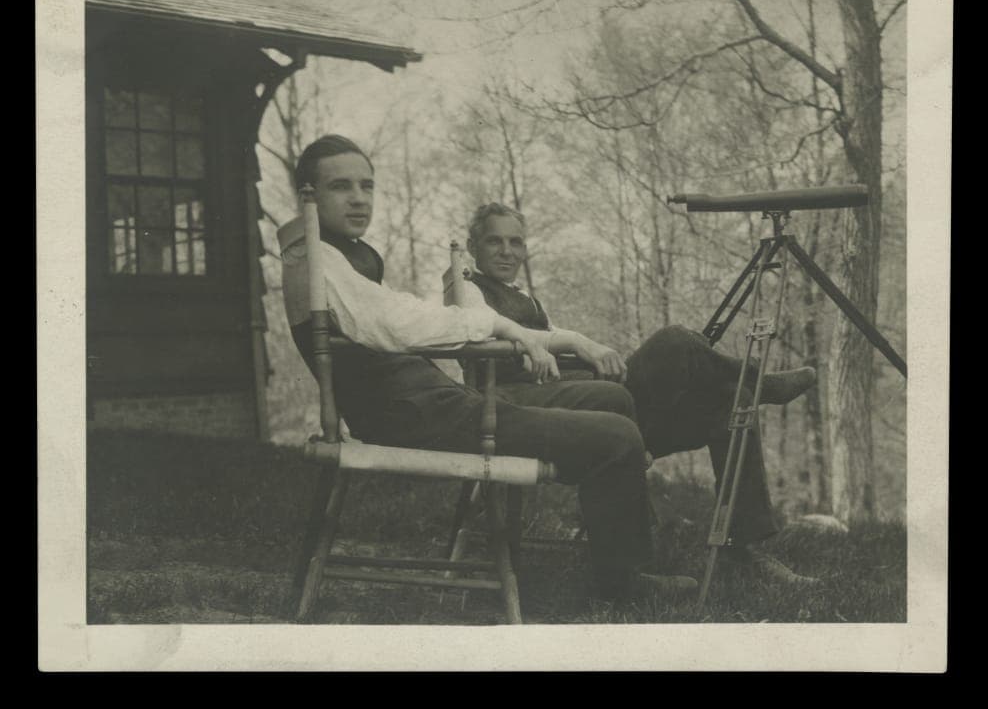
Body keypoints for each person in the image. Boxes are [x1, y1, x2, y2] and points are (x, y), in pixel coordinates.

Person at [278, 134, 696, 603]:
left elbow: (392, 315)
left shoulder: (333, 256)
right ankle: (623, 583)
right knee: (617, 436)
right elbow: (396, 323)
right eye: (341, 187)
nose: (358, 198)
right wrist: (500, 325)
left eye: (366, 186)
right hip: (416, 418)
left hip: (426, 406)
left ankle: (619, 530)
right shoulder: (318, 261)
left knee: (612, 408)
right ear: (307, 196)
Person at [449, 202, 820, 584]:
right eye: (495, 242)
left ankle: (744, 545)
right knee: (675, 342)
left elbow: (558, 344)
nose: (507, 251)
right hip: (538, 414)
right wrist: (567, 347)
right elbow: (483, 332)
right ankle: (764, 383)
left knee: (730, 403)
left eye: (515, 242)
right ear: (474, 245)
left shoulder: (527, 300)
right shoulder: (469, 290)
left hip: (588, 403)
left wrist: (590, 353)